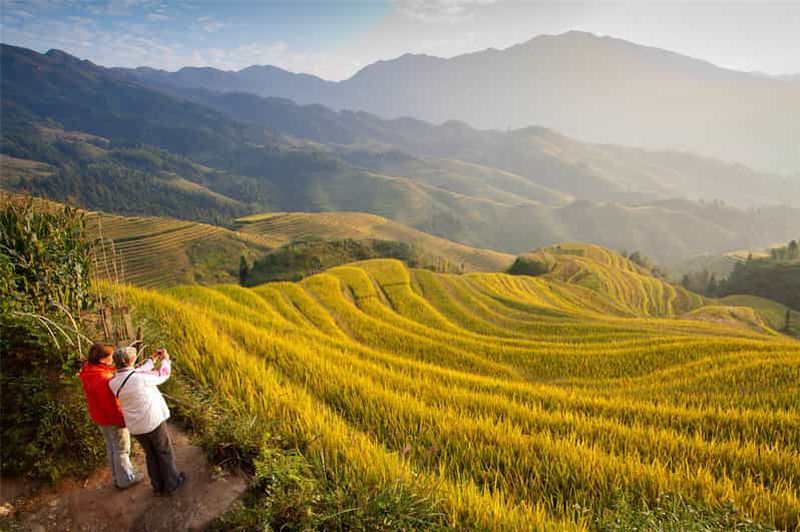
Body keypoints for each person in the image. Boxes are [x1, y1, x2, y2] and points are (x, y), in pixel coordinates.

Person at [109, 346, 186, 496]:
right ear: (127, 361)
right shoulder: (140, 378)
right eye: (133, 357)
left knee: (151, 454)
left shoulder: (113, 382)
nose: (135, 357)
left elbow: (136, 371)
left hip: (135, 426)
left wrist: (152, 359)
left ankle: (157, 487)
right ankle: (172, 484)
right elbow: (163, 374)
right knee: (164, 452)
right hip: (152, 422)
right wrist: (165, 360)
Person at [78, 343, 143, 489]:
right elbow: (112, 405)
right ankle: (126, 479)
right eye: (110, 356)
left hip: (100, 417)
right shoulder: (103, 378)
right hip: (111, 419)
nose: (113, 359)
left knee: (112, 447)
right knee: (121, 449)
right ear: (102, 359)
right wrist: (122, 421)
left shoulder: (89, 370)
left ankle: (117, 477)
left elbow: (108, 372)